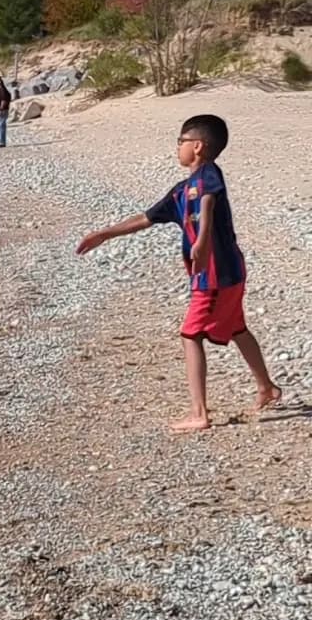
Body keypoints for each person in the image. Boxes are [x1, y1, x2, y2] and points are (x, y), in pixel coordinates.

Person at [76, 113, 281, 433]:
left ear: (197, 146)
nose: (177, 147)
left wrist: (201, 240)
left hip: (215, 274)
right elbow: (145, 218)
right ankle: (267, 388)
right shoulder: (180, 191)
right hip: (226, 272)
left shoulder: (208, 175)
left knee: (190, 334)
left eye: (181, 141)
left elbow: (209, 203)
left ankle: (199, 413)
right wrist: (105, 233)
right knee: (237, 327)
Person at [0, 76, 11, 147]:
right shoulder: (3, 90)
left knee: (0, 126)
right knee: (1, 125)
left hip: (3, 110)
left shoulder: (2, 91)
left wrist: (0, 109)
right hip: (4, 110)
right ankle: (1, 141)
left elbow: (3, 101)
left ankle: (0, 142)